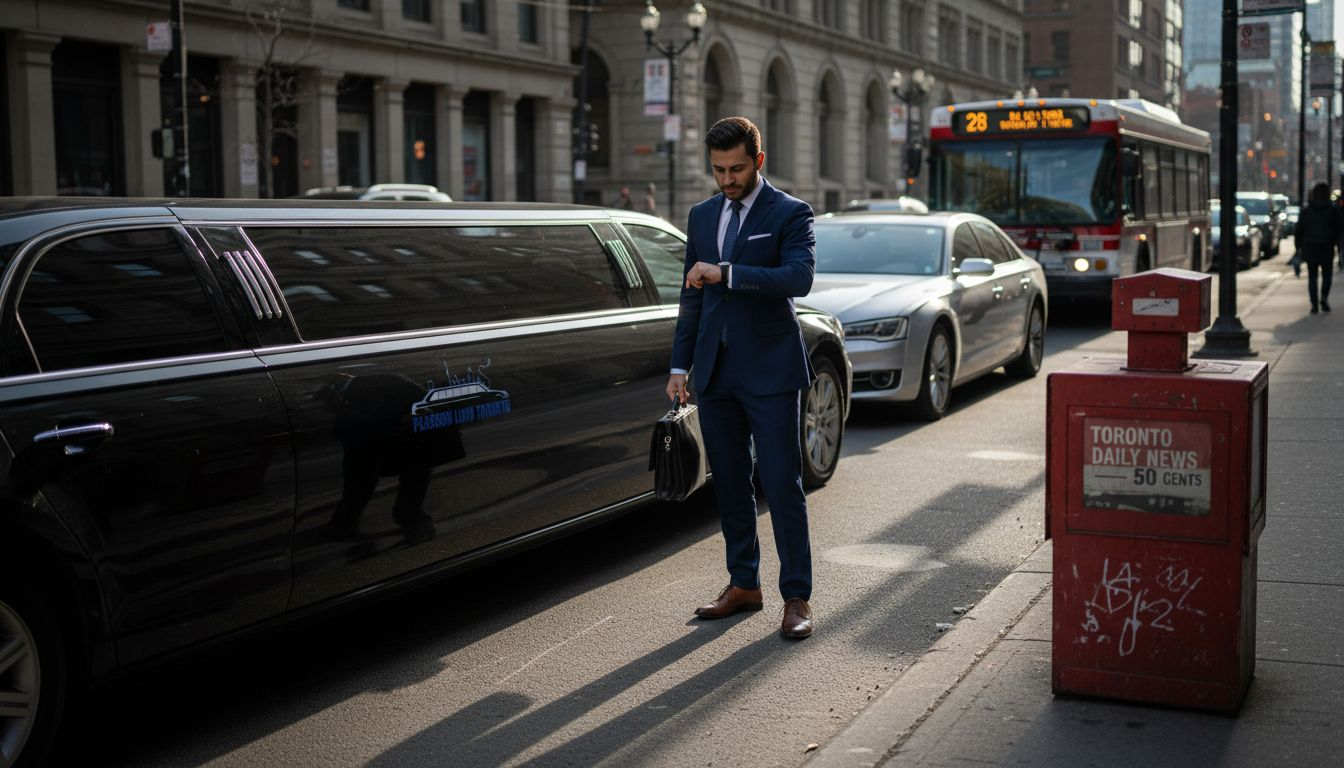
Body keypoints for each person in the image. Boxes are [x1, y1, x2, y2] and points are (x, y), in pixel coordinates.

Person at [665, 116, 818, 639]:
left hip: (771, 371)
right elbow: (692, 294)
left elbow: (798, 278)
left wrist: (726, 272)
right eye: (718, 170)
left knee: (781, 484)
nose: (727, 179)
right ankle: (743, 585)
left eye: (736, 168)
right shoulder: (702, 216)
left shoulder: (790, 213)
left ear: (759, 160)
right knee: (730, 483)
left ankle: (796, 597)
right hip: (714, 373)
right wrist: (679, 366)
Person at [1294, 181, 1339, 313]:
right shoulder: (1332, 210)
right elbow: (1337, 228)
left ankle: (1314, 304)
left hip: (1310, 247)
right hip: (1326, 246)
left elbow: (1299, 230)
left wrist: (1298, 247)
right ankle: (1324, 296)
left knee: (1312, 276)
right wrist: (1336, 243)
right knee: (1327, 275)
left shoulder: (1307, 210)